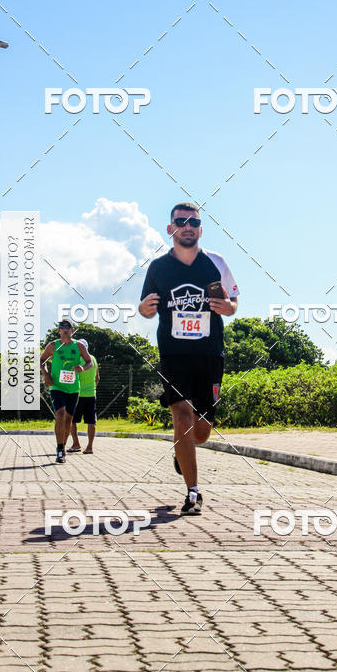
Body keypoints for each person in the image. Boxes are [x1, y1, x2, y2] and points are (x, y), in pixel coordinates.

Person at [139, 202, 239, 515]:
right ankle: (193, 492)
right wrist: (144, 309)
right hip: (174, 354)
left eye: (193, 221)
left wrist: (230, 308)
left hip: (209, 353)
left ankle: (183, 452)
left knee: (203, 430)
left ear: (200, 228)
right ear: (171, 229)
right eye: (181, 221)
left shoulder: (215, 262)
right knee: (181, 417)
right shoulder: (158, 268)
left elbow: (234, 299)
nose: (187, 225)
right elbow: (144, 305)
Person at [40, 320, 93, 463]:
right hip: (57, 386)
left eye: (67, 328)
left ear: (72, 330)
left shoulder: (79, 346)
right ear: (59, 331)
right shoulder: (53, 346)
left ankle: (62, 447)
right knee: (60, 414)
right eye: (62, 328)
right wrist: (46, 374)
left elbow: (90, 362)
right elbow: (42, 360)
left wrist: (82, 368)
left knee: (69, 419)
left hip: (73, 387)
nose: (64, 330)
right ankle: (59, 449)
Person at [68, 338, 99, 454]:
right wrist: (92, 388)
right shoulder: (94, 360)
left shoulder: (77, 360)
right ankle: (89, 447)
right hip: (91, 394)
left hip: (78, 394)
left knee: (72, 420)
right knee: (91, 421)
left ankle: (76, 444)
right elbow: (97, 378)